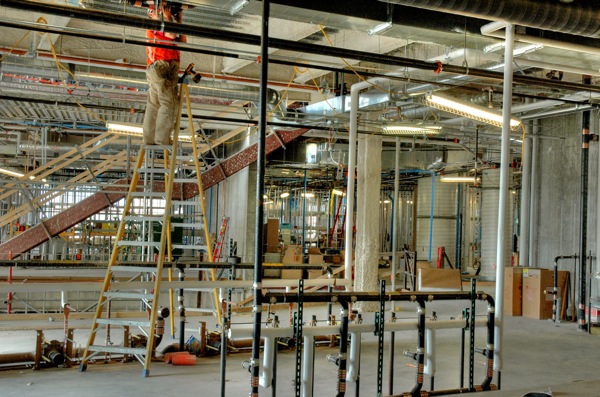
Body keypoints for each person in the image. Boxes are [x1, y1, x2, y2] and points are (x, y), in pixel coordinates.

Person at [142, 2, 186, 146]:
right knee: (169, 103)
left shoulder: (162, 26)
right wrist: (168, 17)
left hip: (158, 68)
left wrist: (178, 21)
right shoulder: (156, 26)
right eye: (159, 11)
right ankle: (162, 140)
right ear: (151, 14)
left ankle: (149, 140)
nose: (162, 12)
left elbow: (183, 42)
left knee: (154, 104)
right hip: (163, 67)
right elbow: (172, 34)